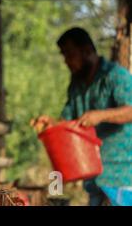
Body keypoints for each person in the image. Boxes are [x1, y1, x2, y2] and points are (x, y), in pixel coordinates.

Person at [33, 27, 132, 206]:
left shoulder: (115, 75)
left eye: (70, 55)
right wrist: (51, 123)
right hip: (93, 178)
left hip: (122, 176)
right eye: (64, 56)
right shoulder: (76, 84)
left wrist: (101, 116)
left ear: (87, 50)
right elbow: (68, 123)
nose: (67, 61)